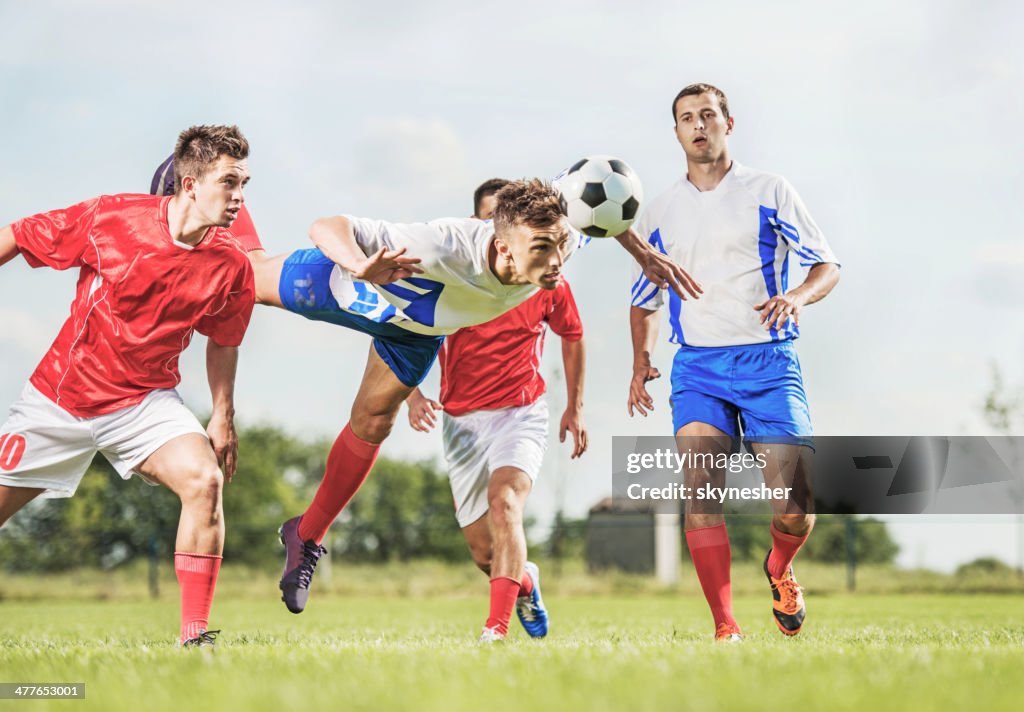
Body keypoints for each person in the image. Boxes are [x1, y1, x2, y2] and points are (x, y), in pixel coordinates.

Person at [248, 177, 699, 617]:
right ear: (500, 241)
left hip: (416, 334)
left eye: (562, 244)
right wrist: (359, 264)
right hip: (353, 288)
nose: (559, 258)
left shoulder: (553, 238)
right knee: (245, 277)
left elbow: (600, 190)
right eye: (545, 248)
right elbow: (327, 226)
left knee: (373, 421)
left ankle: (304, 536)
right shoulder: (443, 244)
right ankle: (203, 198)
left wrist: (644, 255)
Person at [0, 125, 256, 647]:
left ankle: (194, 638)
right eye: (229, 182)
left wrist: (222, 414)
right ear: (190, 184)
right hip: (60, 399)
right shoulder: (110, 218)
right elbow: (19, 234)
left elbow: (224, 339)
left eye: (244, 183)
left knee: (204, 481)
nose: (239, 197)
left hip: (144, 404)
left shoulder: (231, 264)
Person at [627, 83, 840, 641]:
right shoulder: (660, 210)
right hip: (697, 366)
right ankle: (726, 628)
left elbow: (826, 266)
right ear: (675, 133)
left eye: (707, 115)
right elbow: (643, 299)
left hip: (769, 361)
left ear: (729, 122)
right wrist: (640, 361)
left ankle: (779, 565)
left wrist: (796, 297)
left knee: (795, 508)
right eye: (685, 118)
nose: (698, 125)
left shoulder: (769, 190)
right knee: (699, 489)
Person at [405, 178, 586, 642]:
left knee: (506, 504)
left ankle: (495, 630)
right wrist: (411, 393)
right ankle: (523, 581)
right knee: (485, 553)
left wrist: (575, 407)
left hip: (520, 411)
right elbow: (399, 323)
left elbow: (572, 334)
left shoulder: (547, 279)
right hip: (461, 421)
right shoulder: (454, 273)